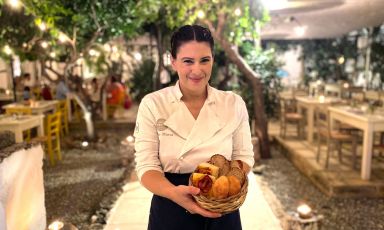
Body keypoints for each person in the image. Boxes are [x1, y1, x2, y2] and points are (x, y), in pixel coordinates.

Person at [134, 25, 254, 230]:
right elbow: (146, 167)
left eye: (204, 60)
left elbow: (244, 156)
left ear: (213, 60)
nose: (197, 70)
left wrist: (225, 184)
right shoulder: (153, 104)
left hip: (221, 207)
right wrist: (174, 194)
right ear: (173, 61)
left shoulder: (233, 103)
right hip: (171, 204)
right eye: (188, 61)